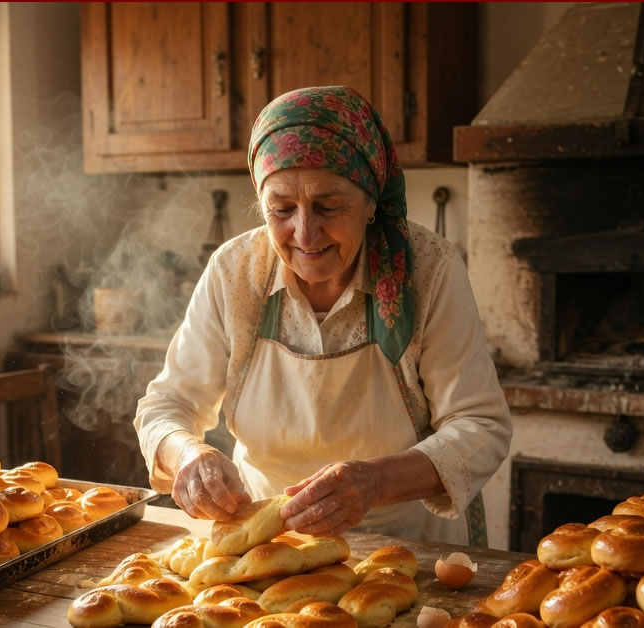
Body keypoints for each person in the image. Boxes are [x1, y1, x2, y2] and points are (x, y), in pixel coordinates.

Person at [134, 86, 512, 545]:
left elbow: (480, 427)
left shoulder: (428, 270)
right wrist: (188, 454)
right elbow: (166, 407)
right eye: (281, 209)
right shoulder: (236, 272)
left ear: (372, 201)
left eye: (329, 206)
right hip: (270, 545)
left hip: (412, 550)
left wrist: (375, 481)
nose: (305, 233)